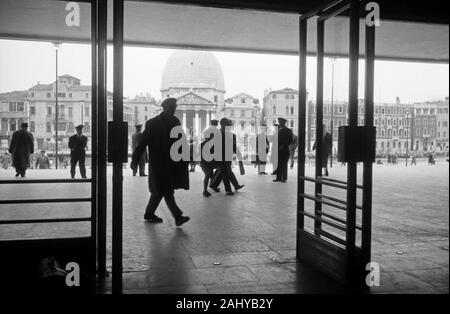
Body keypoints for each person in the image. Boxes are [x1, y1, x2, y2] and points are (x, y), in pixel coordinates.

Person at [131, 97, 190, 227]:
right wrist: (135, 160)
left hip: (171, 163)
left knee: (159, 190)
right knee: (166, 190)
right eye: (172, 108)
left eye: (175, 108)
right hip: (158, 163)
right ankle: (177, 216)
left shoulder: (175, 121)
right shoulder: (153, 123)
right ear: (165, 108)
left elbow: (181, 140)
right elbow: (143, 143)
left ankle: (149, 213)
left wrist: (186, 157)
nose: (174, 110)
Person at [209, 118, 244, 196]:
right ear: (223, 124)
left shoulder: (229, 134)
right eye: (227, 124)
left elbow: (233, 146)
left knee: (224, 172)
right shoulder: (217, 134)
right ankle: (228, 190)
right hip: (220, 157)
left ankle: (214, 185)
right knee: (225, 173)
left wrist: (239, 156)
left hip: (227, 157)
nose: (229, 125)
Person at [273, 117, 293, 182]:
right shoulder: (278, 130)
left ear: (283, 123)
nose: (279, 123)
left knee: (284, 164)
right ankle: (278, 178)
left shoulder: (288, 130)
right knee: (278, 164)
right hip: (277, 149)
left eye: (280, 122)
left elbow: (290, 140)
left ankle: (284, 178)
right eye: (279, 122)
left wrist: (284, 145)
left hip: (284, 150)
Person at [199, 133, 217, 197]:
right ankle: (205, 190)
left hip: (209, 163)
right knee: (208, 174)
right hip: (205, 163)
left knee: (211, 175)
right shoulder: (203, 145)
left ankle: (213, 186)